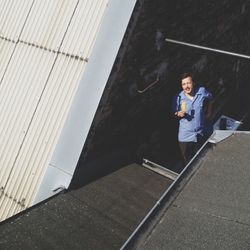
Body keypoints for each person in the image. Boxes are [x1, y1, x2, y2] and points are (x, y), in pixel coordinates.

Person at [173, 73, 213, 165]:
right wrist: (178, 113)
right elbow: (174, 113)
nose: (186, 86)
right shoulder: (178, 98)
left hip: (200, 133)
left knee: (202, 158)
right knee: (187, 163)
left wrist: (209, 112)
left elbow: (210, 98)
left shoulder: (201, 91)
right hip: (185, 136)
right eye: (184, 84)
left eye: (188, 83)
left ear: (193, 83)